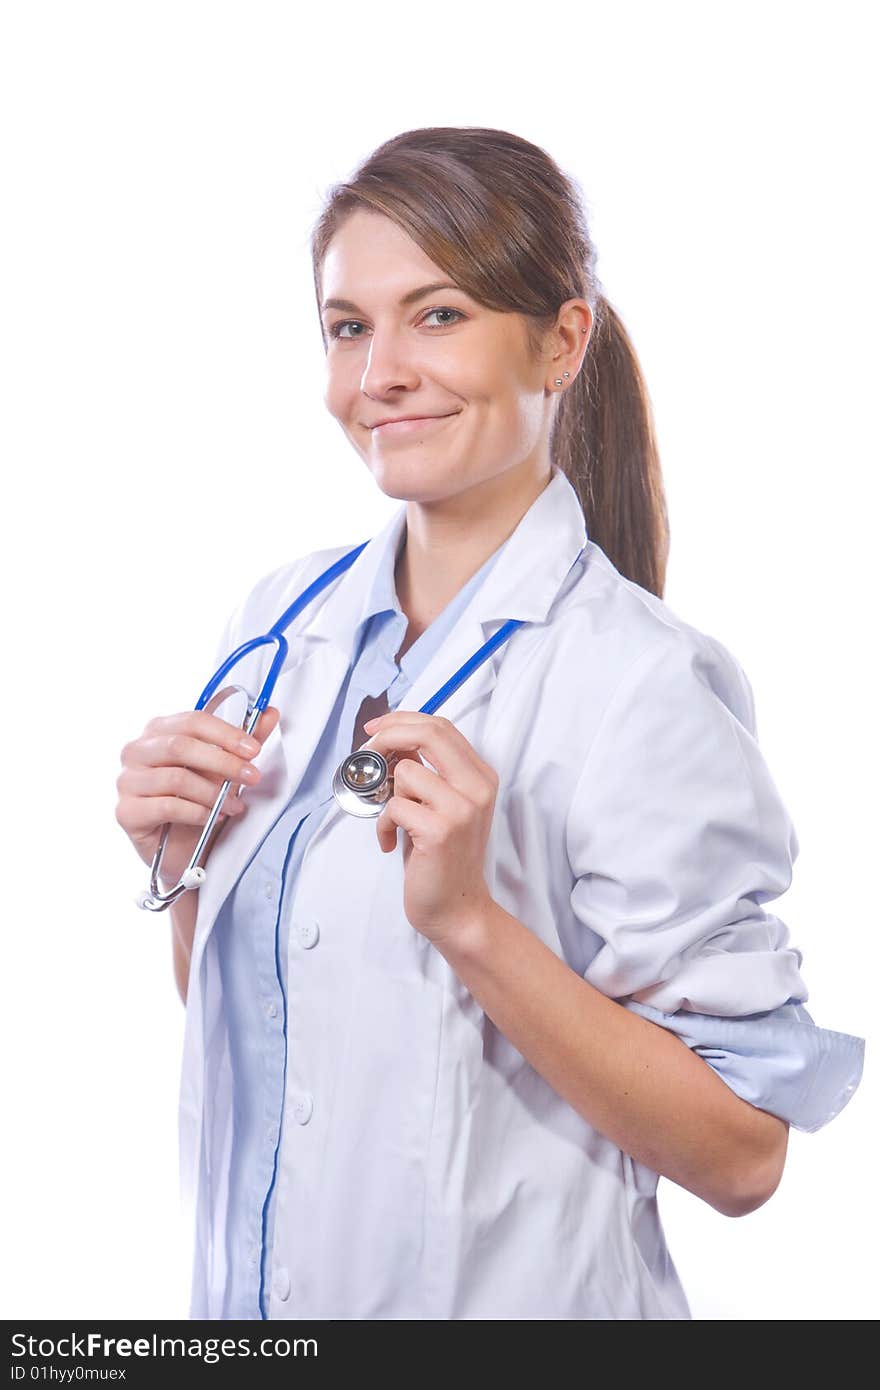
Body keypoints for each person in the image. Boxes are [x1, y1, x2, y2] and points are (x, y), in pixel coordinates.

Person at [116, 126, 865, 1321]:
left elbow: (742, 1156)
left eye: (440, 314)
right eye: (349, 327)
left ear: (561, 342)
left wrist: (469, 922)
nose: (381, 374)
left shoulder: (639, 684)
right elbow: (285, 1032)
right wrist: (182, 865)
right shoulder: (278, 626)